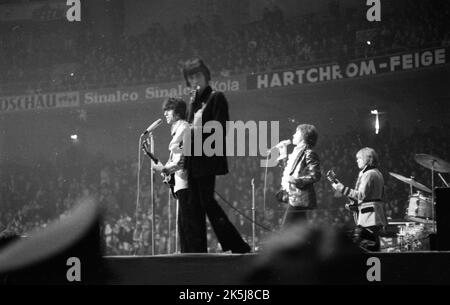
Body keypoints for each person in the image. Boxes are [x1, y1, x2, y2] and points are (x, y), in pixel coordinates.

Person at [182, 57, 250, 253]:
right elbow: (187, 133)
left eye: (197, 75)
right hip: (193, 162)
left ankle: (236, 244)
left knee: (207, 203)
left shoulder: (216, 97)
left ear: (206, 76)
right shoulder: (194, 102)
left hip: (206, 160)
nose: (194, 80)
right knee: (195, 206)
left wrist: (198, 133)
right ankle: (197, 249)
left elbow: (221, 128)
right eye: (190, 77)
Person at [147, 97, 198, 253]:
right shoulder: (178, 129)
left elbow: (183, 159)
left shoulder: (183, 128)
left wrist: (165, 169)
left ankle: (188, 254)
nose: (165, 114)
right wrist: (163, 168)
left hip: (186, 182)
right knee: (183, 222)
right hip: (181, 182)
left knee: (186, 223)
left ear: (176, 113)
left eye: (167, 111)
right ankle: (185, 252)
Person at [331, 147, 387, 251]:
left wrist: (342, 188)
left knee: (368, 244)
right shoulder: (377, 173)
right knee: (374, 242)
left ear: (367, 159)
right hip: (376, 213)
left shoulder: (368, 174)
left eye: (359, 158)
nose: (357, 161)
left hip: (369, 216)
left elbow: (361, 195)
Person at [276, 124, 321, 227]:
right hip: (295, 197)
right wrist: (283, 154)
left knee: (286, 228)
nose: (293, 135)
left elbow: (316, 175)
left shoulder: (309, 153)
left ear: (303, 136)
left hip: (299, 198)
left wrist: (297, 181)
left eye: (296, 132)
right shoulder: (297, 153)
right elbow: (289, 173)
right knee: (301, 229)